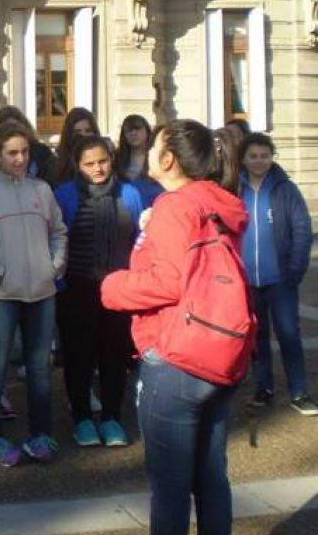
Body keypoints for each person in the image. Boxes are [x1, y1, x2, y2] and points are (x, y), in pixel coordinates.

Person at [101, 119, 249, 535]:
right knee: (211, 477)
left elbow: (167, 282)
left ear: (167, 159)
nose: (147, 151)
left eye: (155, 147)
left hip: (176, 353)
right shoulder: (220, 202)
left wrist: (112, 287)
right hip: (221, 349)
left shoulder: (175, 206)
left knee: (169, 486)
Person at [0, 120, 67, 466]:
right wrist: (0, 272)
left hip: (42, 292)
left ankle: (42, 433)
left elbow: (59, 232)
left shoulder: (41, 190)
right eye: (12, 153)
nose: (19, 159)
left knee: (39, 366)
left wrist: (54, 265)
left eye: (24, 152)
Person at [54, 137, 142, 447]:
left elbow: (139, 239)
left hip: (118, 288)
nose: (98, 168)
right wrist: (59, 284)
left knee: (114, 356)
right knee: (78, 357)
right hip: (77, 288)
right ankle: (81, 419)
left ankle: (111, 418)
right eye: (89, 163)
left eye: (102, 161)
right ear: (78, 165)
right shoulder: (64, 195)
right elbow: (55, 239)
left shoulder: (129, 194)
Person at [239, 133, 317, 415]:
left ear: (272, 157)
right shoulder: (236, 189)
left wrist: (295, 269)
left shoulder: (286, 189)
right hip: (247, 280)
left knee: (288, 334)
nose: (259, 161)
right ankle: (264, 388)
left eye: (264, 155)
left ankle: (299, 392)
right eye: (253, 156)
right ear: (243, 158)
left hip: (281, 279)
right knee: (256, 337)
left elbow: (302, 230)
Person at [114, 114, 163, 207]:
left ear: (147, 131)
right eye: (129, 131)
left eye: (138, 129)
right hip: (126, 206)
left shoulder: (156, 156)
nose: (133, 133)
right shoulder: (117, 157)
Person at [55, 107, 102, 182]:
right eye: (77, 131)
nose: (83, 135)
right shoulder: (55, 163)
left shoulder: (105, 157)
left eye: (88, 130)